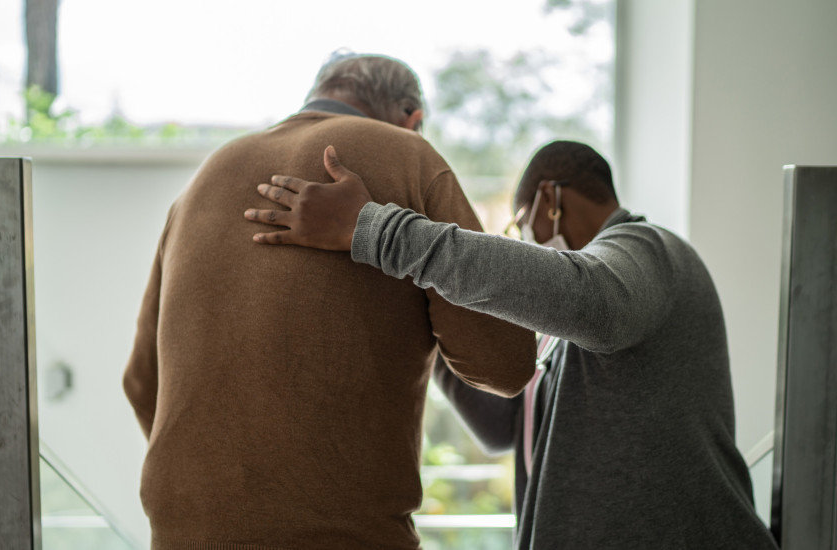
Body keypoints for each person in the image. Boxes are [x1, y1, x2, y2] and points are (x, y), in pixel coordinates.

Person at [244, 140, 779, 549]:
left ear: (550, 197)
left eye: (522, 224)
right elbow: (502, 428)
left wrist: (380, 233)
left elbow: (594, 305)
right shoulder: (561, 334)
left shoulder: (648, 248)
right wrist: (427, 306)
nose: (524, 238)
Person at [123, 52, 536, 550]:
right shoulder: (407, 154)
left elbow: (141, 382)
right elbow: (505, 362)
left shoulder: (201, 182)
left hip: (181, 535)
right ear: (413, 119)